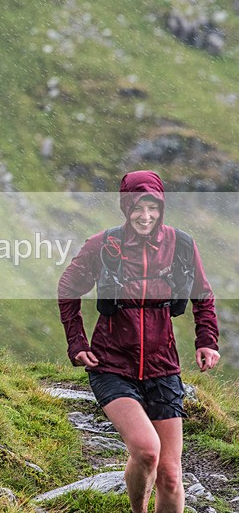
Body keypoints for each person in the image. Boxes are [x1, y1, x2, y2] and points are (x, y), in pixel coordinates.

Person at [58, 170, 220, 513]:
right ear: (125, 206)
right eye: (137, 208)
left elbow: (202, 295)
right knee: (147, 450)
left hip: (163, 366)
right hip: (112, 364)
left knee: (171, 475)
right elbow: (68, 288)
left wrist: (207, 340)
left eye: (153, 208)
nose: (145, 216)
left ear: (161, 208)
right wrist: (77, 343)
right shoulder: (104, 245)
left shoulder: (182, 245)